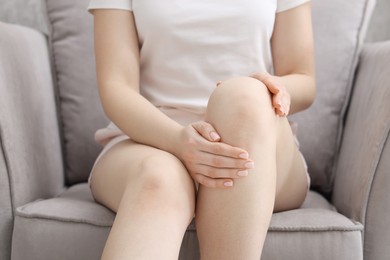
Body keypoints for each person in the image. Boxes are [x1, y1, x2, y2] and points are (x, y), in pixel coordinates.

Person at [87, 0, 315, 259]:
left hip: (257, 138)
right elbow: (116, 86)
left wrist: (272, 88)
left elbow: (303, 79)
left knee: (243, 96)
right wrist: (178, 141)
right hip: (149, 140)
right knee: (159, 178)